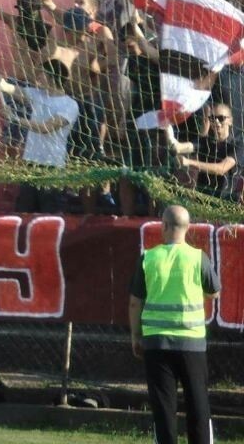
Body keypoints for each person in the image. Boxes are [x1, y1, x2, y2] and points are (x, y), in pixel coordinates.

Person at [129, 204, 221, 444]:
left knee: (163, 406)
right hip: (192, 343)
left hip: (157, 342)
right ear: (188, 227)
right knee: (198, 403)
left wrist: (136, 336)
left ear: (164, 226)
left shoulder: (148, 257)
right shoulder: (197, 257)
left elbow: (134, 303)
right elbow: (214, 292)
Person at [0, 59, 79, 213]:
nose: (37, 77)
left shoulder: (70, 105)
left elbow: (46, 128)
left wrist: (15, 118)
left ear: (52, 77)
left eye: (41, 74)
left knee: (50, 214)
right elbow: (3, 86)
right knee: (25, 211)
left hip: (52, 166)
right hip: (30, 162)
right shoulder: (36, 94)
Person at [180, 103, 238, 201]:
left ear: (230, 121)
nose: (216, 121)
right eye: (212, 118)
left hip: (227, 202)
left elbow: (222, 169)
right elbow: (183, 147)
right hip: (202, 199)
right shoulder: (205, 142)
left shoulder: (238, 146)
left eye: (221, 118)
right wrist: (168, 131)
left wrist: (189, 162)